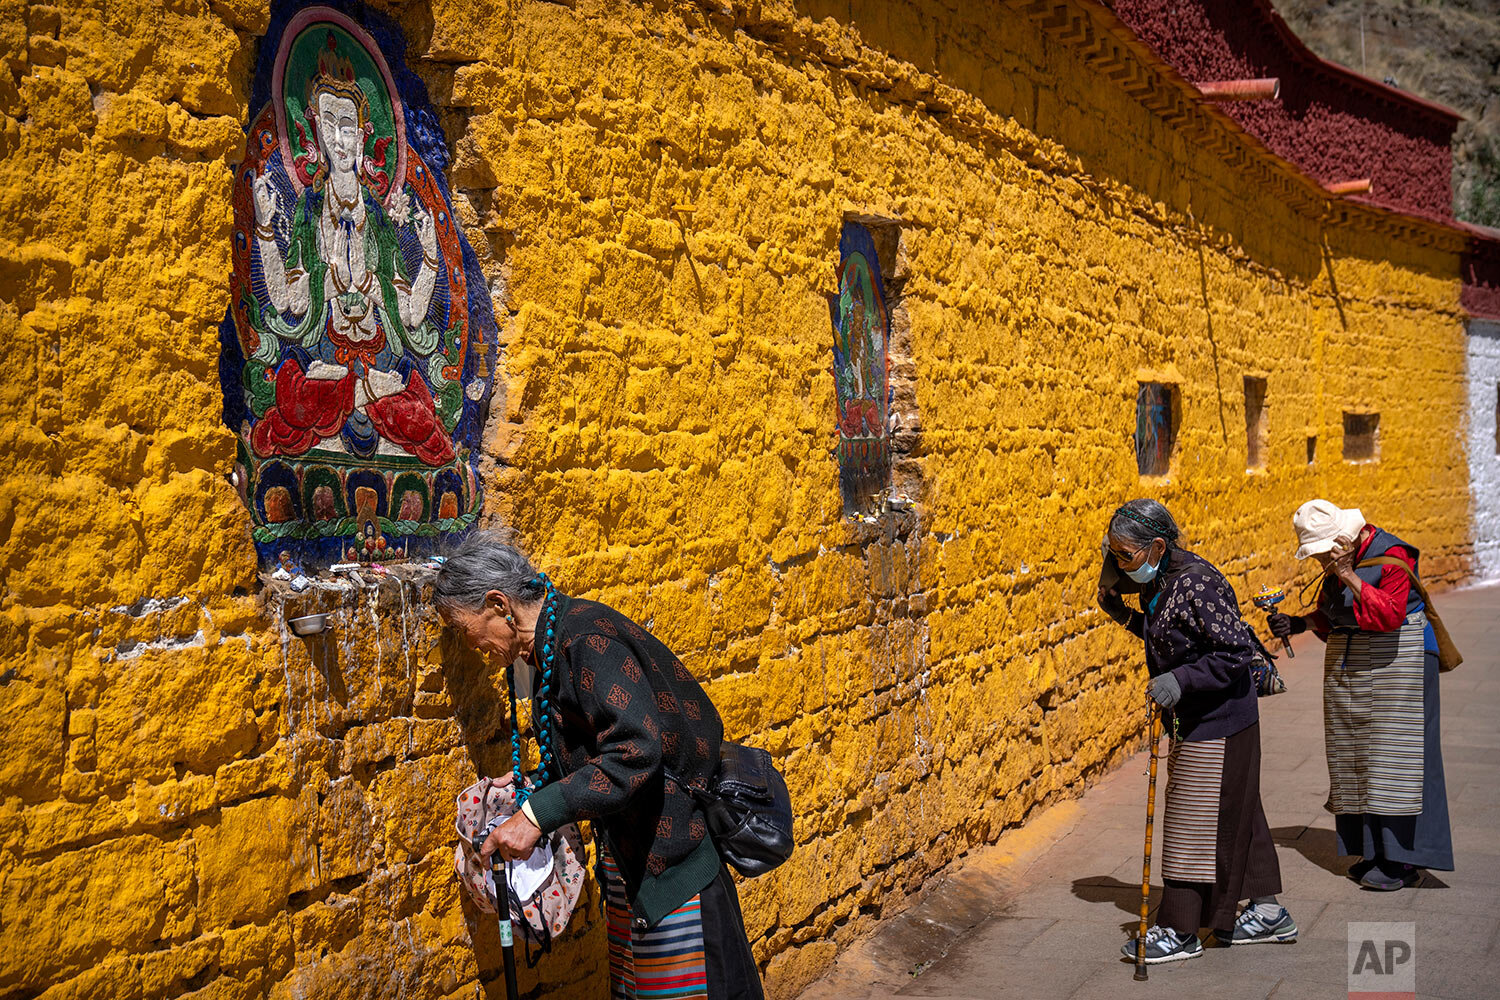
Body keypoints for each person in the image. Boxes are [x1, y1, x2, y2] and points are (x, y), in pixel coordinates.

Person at [434, 534, 764, 1000]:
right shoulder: (549, 650)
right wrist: (536, 784)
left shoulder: (587, 639)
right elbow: (594, 751)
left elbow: (634, 750)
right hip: (633, 871)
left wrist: (535, 817)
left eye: (462, 626)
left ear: (498, 604)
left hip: (674, 873)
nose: (471, 645)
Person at [1098, 499, 1294, 963]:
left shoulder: (1198, 583)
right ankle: (1268, 912)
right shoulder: (1160, 579)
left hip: (1220, 719)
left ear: (1158, 546)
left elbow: (1232, 654)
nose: (1120, 565)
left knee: (1191, 819)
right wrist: (1121, 610)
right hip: (1200, 716)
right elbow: (1169, 635)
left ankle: (1181, 928)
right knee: (1234, 808)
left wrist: (1178, 681)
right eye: (1114, 554)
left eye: (1125, 555)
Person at [1268, 499, 1453, 890]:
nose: (1320, 564)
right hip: (1357, 664)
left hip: (1401, 663)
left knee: (1396, 759)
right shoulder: (1339, 564)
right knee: (1355, 755)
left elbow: (1388, 615)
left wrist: (1349, 575)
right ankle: (1371, 849)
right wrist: (1299, 622)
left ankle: (1403, 860)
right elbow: (1332, 613)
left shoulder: (1392, 556)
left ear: (1344, 541)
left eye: (1322, 555)